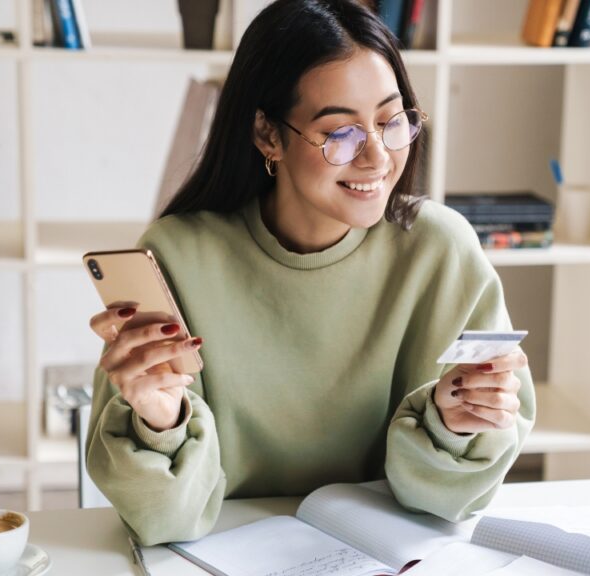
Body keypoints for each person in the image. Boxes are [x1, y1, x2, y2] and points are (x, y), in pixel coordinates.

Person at [85, 0, 536, 546]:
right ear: (267, 135)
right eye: (340, 133)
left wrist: (455, 425)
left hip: (385, 556)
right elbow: (165, 521)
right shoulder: (178, 255)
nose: (377, 157)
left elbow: (445, 506)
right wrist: (160, 419)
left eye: (392, 122)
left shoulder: (441, 252)